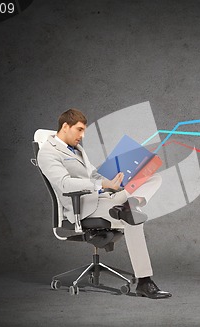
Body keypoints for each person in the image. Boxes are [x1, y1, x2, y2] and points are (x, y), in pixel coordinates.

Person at [37, 108, 171, 299]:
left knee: (153, 177)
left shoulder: (77, 150)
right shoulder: (47, 152)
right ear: (65, 126)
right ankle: (144, 282)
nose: (82, 136)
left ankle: (131, 203)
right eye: (79, 130)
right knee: (132, 218)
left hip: (104, 197)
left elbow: (92, 174)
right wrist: (101, 184)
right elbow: (65, 183)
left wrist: (114, 182)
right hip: (82, 206)